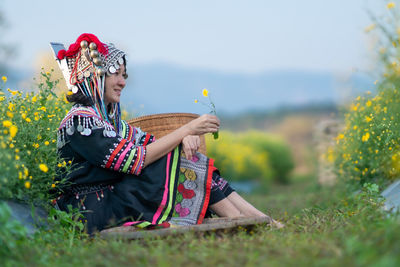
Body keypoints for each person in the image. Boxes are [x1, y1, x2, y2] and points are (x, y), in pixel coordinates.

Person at [53, 33, 281, 234]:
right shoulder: (80, 122)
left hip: (112, 199)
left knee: (184, 158)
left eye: (125, 75)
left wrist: (183, 139)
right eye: (116, 74)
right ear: (94, 75)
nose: (122, 82)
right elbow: (135, 160)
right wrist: (187, 129)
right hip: (89, 210)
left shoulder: (111, 123)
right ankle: (245, 222)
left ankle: (256, 219)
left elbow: (154, 144)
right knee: (179, 164)